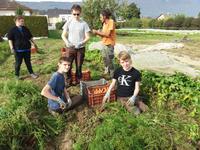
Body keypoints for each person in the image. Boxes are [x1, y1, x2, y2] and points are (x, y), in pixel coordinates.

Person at [61, 4, 90, 85]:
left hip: (80, 48)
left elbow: (88, 37)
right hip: (70, 48)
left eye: (78, 14)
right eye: (74, 14)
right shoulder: (68, 22)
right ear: (71, 13)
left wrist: (81, 43)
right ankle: (68, 81)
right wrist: (67, 42)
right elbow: (63, 35)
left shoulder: (84, 23)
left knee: (79, 66)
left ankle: (78, 81)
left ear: (80, 13)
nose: (76, 16)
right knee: (67, 65)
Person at [92, 9, 116, 78]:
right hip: (104, 44)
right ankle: (107, 71)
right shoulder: (104, 24)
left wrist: (97, 32)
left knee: (109, 60)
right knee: (105, 58)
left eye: (100, 17)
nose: (100, 19)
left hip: (109, 44)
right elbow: (103, 34)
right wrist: (99, 33)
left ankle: (112, 76)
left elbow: (108, 34)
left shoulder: (111, 22)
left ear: (104, 16)